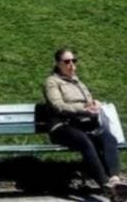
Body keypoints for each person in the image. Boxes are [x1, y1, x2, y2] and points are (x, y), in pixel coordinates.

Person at [43, 48, 126, 197]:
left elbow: (89, 101)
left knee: (108, 137)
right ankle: (105, 185)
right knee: (84, 141)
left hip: (83, 125)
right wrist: (84, 108)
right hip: (62, 126)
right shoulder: (52, 82)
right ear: (58, 63)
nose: (71, 64)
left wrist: (95, 104)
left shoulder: (77, 81)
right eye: (67, 61)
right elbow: (58, 106)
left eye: (74, 61)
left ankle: (114, 180)